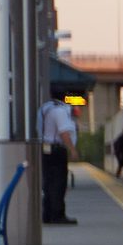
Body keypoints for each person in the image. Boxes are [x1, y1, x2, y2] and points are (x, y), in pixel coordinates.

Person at [38, 95, 79, 225]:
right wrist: (72, 149)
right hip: (57, 150)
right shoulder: (60, 111)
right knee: (58, 183)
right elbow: (64, 132)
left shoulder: (46, 108)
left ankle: (47, 214)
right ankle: (58, 215)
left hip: (46, 149)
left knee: (48, 183)